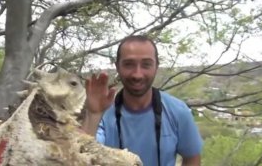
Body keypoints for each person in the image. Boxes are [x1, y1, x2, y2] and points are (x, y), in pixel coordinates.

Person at [82, 35, 203, 166]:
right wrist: (93, 114)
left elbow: (192, 158)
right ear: (117, 67)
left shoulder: (178, 111)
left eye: (146, 65)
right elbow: (82, 156)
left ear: (156, 66)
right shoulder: (103, 112)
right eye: (129, 64)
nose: (137, 74)